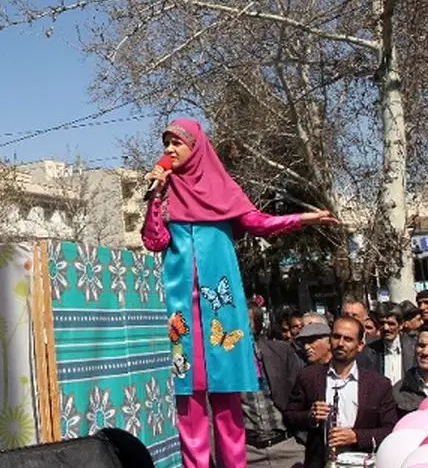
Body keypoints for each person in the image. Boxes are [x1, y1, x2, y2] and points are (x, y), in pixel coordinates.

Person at [142, 119, 337, 468]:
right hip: (182, 312)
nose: (169, 150)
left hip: (221, 307)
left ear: (196, 147)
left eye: (177, 143)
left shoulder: (222, 189)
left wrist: (303, 220)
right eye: (166, 143)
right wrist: (156, 195)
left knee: (228, 406)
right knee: (189, 404)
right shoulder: (166, 194)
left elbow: (259, 222)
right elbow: (154, 240)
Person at [284, 317, 398, 467]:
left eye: (348, 339)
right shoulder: (309, 376)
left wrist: (356, 436)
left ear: (360, 345)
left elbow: (390, 430)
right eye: (336, 337)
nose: (341, 343)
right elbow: (289, 417)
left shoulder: (378, 384)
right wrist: (310, 416)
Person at [243, 303, 305, 466]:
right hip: (249, 453)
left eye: (246, 320)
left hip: (288, 447)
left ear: (256, 324)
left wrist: (302, 440)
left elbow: (300, 395)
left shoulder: (281, 352)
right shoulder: (223, 363)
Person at [365, 303, 415, 387]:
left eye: (391, 324)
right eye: (382, 323)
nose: (386, 328)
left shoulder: (414, 348)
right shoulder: (369, 351)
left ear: (401, 325)